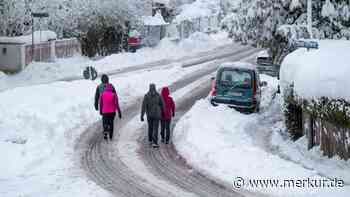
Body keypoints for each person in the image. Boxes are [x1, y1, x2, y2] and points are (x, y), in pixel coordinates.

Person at [141, 84, 164, 148]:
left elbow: (144, 106)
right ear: (155, 88)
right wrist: (163, 112)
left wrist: (142, 115)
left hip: (150, 115)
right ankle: (155, 142)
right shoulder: (158, 95)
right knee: (155, 129)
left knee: (150, 128)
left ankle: (150, 140)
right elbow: (162, 105)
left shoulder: (146, 96)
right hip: (157, 114)